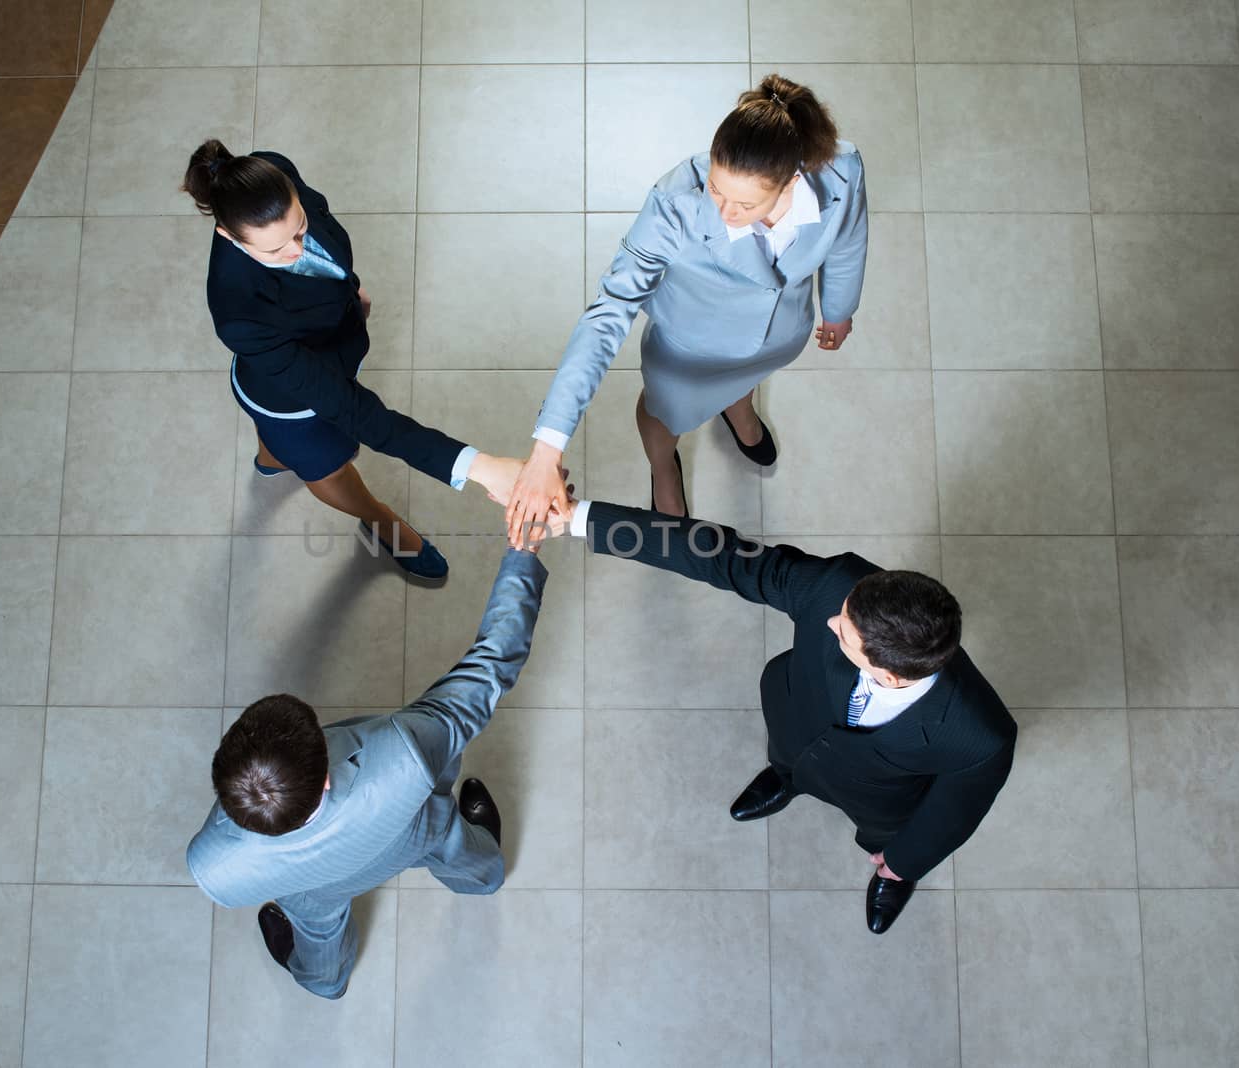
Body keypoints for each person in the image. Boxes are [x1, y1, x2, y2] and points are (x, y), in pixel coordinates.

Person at [545, 497, 1015, 933]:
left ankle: (891, 877)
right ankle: (785, 777)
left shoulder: (979, 736)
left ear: (889, 676)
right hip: (796, 714)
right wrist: (579, 516)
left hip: (879, 796)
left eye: (844, 634)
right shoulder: (836, 585)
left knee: (885, 839)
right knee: (787, 755)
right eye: (844, 614)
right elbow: (720, 554)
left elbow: (952, 815)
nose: (831, 621)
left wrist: (903, 861)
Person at [506, 73, 868, 540]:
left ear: (790, 180)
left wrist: (839, 308)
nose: (722, 213)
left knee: (748, 377)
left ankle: (737, 408)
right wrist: (546, 449)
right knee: (665, 414)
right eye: (717, 189)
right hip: (690, 349)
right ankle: (663, 469)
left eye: (744, 204)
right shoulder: (674, 205)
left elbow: (848, 241)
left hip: (777, 334)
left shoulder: (842, 169)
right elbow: (607, 314)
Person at [186, 543, 548, 998]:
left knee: (318, 931)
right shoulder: (405, 754)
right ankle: (484, 880)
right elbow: (492, 664)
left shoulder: (212, 866)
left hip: (313, 890)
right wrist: (523, 552)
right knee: (453, 842)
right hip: (415, 829)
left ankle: (327, 983)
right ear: (325, 776)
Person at [184, 140, 523, 579]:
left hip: (326, 349)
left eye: (300, 228)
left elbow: (321, 227)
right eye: (276, 251)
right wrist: (480, 466)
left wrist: (347, 286)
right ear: (229, 236)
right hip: (292, 400)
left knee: (285, 449)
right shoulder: (237, 311)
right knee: (331, 466)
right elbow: (355, 411)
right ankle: (381, 521)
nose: (298, 251)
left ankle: (272, 458)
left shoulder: (272, 169)